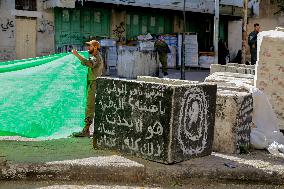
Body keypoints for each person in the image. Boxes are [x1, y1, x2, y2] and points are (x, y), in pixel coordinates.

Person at [71, 40, 104, 137]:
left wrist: (77, 55)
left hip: (94, 83)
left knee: (90, 106)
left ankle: (86, 130)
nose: (88, 48)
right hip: (91, 82)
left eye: (90, 46)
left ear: (95, 47)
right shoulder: (94, 56)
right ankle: (88, 129)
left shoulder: (96, 57)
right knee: (90, 106)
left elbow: (89, 64)